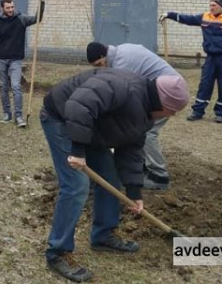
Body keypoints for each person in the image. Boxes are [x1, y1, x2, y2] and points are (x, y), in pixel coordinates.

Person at [40, 69, 189, 282]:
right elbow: (78, 106)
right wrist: (78, 151)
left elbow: (131, 149)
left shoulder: (146, 113)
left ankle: (103, 236)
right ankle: (57, 252)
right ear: (163, 103)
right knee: (76, 186)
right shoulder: (124, 87)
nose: (172, 116)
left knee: (111, 178)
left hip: (90, 128)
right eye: (172, 110)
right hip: (61, 118)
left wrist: (134, 192)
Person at [86, 41, 184, 191]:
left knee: (147, 131)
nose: (100, 68)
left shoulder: (122, 64)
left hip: (168, 93)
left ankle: (159, 176)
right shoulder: (122, 51)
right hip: (166, 89)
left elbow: (122, 98)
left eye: (99, 64)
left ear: (103, 55)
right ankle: (142, 167)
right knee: (138, 129)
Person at [159, 0, 222, 123]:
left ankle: (221, 113)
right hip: (211, 57)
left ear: (221, 6)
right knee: (205, 84)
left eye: (214, 5)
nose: (211, 7)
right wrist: (169, 15)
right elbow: (187, 19)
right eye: (210, 5)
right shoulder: (205, 17)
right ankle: (198, 111)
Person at [0, 0, 45, 128]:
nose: (11, 10)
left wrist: (42, 3)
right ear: (2, 8)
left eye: (12, 7)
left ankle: (18, 116)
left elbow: (38, 18)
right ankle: (7, 114)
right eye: (8, 8)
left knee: (16, 86)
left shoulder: (21, 19)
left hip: (15, 60)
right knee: (3, 87)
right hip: (1, 59)